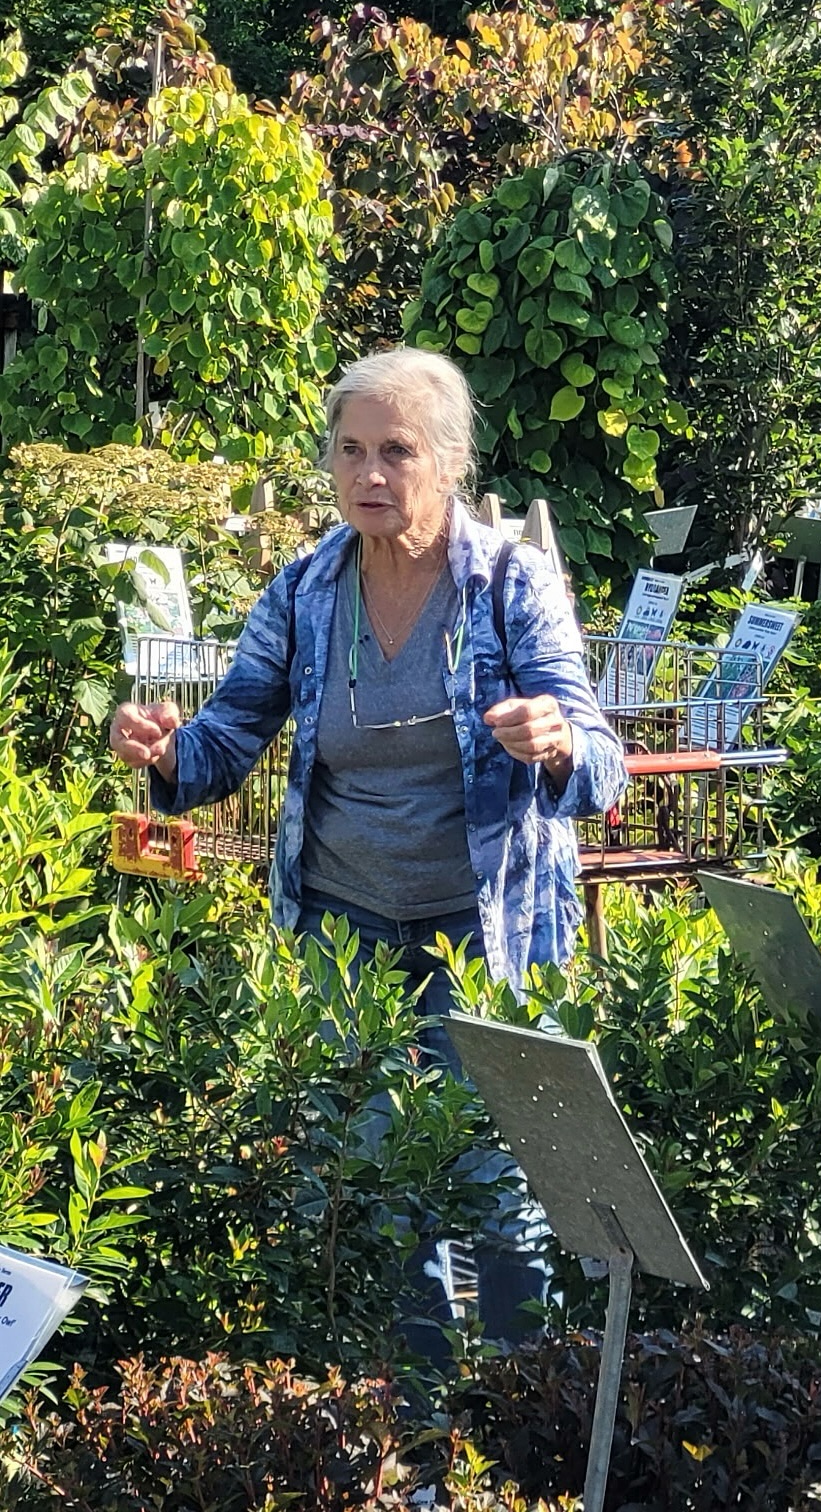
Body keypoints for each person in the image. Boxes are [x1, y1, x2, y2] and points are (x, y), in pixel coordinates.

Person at [109, 345, 628, 1343]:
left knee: (494, 1173)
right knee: (367, 1177)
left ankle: (516, 1399)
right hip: (344, 934)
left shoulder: (510, 584)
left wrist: (558, 740)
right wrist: (167, 752)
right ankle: (399, 1407)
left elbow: (603, 761)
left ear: (450, 461)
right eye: (350, 451)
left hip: (484, 934)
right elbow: (226, 740)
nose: (369, 475)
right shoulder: (308, 588)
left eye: (397, 451)